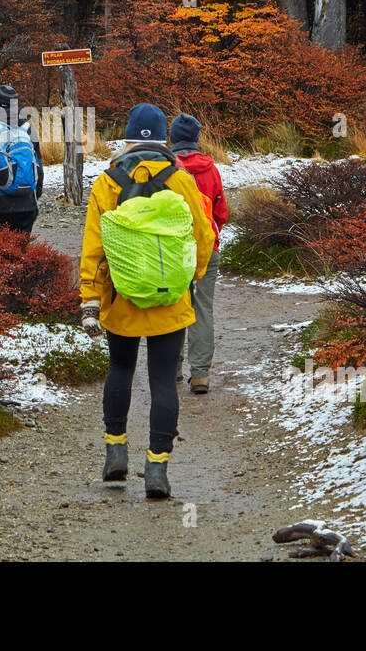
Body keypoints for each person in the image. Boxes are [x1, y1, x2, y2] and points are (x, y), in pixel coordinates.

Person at [79, 103, 214, 499]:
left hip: (122, 300)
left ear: (127, 137)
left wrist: (91, 296)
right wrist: (193, 275)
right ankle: (157, 469)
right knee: (162, 382)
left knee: (119, 370)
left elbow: (94, 247)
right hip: (170, 301)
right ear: (164, 139)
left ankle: (115, 450)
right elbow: (203, 237)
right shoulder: (181, 179)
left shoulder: (107, 182)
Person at [169, 113, 229, 395]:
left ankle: (172, 369)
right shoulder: (211, 169)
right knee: (202, 307)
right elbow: (222, 213)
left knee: (172, 306)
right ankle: (201, 375)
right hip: (207, 248)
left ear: (172, 138)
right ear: (196, 138)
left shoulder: (165, 168)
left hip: (171, 250)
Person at [0, 84, 43, 233]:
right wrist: (34, 196)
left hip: (0, 205)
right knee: (23, 253)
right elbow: (38, 165)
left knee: (0, 252)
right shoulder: (28, 129)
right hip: (28, 203)